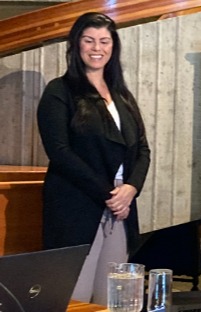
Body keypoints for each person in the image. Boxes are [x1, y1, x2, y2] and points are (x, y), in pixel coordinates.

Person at [36, 12, 150, 305]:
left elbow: (142, 149)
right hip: (77, 204)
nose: (96, 47)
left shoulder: (121, 94)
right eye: (89, 40)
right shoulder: (59, 91)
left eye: (104, 41)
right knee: (75, 296)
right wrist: (110, 194)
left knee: (113, 298)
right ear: (76, 44)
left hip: (120, 207)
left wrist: (131, 189)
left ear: (113, 47)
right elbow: (60, 152)